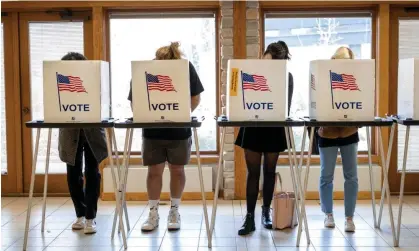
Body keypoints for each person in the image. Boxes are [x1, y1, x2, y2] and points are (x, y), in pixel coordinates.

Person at [127, 42, 204, 231]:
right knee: (154, 171)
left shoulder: (186, 68)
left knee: (177, 170)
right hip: (152, 131)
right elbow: (134, 100)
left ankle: (174, 211)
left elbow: (196, 97)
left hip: (179, 131)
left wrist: (179, 115)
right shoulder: (145, 70)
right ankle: (153, 213)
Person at [235, 41, 294, 236]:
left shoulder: (287, 77)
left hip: (273, 128)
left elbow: (285, 108)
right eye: (265, 61)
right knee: (253, 173)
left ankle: (266, 213)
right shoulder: (252, 73)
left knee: (270, 172)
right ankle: (249, 217)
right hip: (252, 126)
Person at [58, 52, 108, 234]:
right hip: (69, 130)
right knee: (73, 173)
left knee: (92, 173)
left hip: (92, 130)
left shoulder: (94, 79)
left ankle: (90, 217)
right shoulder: (59, 80)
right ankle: (80, 214)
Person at [318, 46, 359, 232]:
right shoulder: (325, 77)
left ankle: (349, 218)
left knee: (351, 177)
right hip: (328, 132)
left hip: (349, 131)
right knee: (326, 175)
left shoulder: (357, 78)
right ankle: (328, 214)